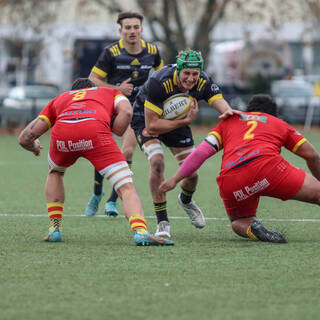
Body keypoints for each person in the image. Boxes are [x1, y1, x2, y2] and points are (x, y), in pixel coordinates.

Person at [18, 78, 174, 246]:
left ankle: (55, 229)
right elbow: (127, 112)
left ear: (73, 91)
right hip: (95, 133)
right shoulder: (108, 92)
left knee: (56, 172)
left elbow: (24, 138)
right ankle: (141, 232)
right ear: (92, 88)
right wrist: (117, 129)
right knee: (125, 186)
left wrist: (34, 148)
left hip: (63, 135)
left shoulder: (60, 99)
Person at [160, 94, 320, 243]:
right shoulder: (277, 122)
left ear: (248, 110)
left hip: (232, 179)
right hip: (268, 168)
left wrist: (174, 179)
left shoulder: (228, 122)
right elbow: (312, 155)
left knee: (239, 221)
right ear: (273, 113)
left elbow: (201, 153)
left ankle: (253, 229)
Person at [131, 49, 240, 238]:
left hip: (178, 120)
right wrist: (184, 122)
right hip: (147, 120)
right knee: (157, 162)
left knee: (192, 173)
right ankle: (162, 221)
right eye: (186, 74)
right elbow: (153, 125)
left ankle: (186, 200)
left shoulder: (204, 81)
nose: (190, 79)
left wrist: (229, 113)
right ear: (178, 70)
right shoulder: (159, 82)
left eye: (195, 74)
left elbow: (219, 102)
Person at [86, 10, 164, 217]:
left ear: (141, 29)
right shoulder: (110, 53)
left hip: (137, 110)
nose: (132, 31)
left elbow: (162, 75)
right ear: (120, 30)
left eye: (135, 27)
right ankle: (96, 193)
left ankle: (112, 202)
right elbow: (92, 79)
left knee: (126, 152)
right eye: (127, 28)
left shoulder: (152, 51)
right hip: (112, 107)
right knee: (102, 151)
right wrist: (117, 89)